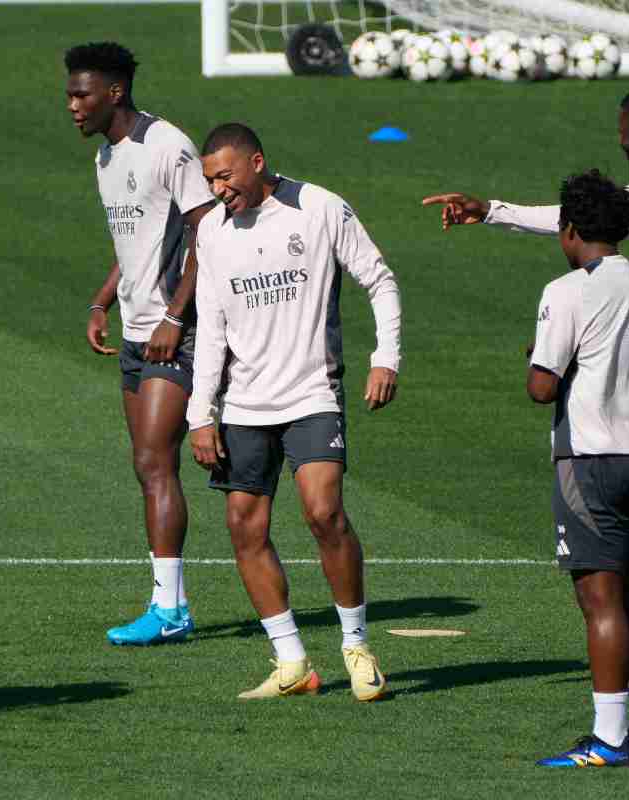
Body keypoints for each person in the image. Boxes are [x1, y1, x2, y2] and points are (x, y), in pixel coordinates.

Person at [423, 85, 629, 706]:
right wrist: (492, 210)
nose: (619, 139)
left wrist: (570, 327)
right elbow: (589, 217)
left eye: (622, 130)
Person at [188, 123, 401, 701]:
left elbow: (379, 281)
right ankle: (291, 662)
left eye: (225, 176)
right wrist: (200, 414)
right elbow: (211, 327)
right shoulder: (211, 231)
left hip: (312, 393)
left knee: (324, 513)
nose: (218, 190)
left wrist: (386, 358)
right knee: (244, 526)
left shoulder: (319, 208)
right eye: (210, 181)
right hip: (243, 403)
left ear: (256, 162)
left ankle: (356, 646)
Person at [66, 42, 216, 646]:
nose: (73, 106)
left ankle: (169, 609)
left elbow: (208, 234)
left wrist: (175, 316)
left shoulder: (168, 146)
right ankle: (170, 601)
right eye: (70, 95)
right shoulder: (106, 156)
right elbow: (135, 242)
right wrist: (102, 301)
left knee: (156, 461)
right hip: (135, 333)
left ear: (115, 92)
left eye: (82, 94)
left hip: (176, 333)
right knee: (148, 465)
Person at [527, 170, 629, 767]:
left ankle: (609, 739)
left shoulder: (566, 290)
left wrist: (541, 362)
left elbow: (541, 387)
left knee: (599, 599)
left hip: (590, 458)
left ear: (570, 230)